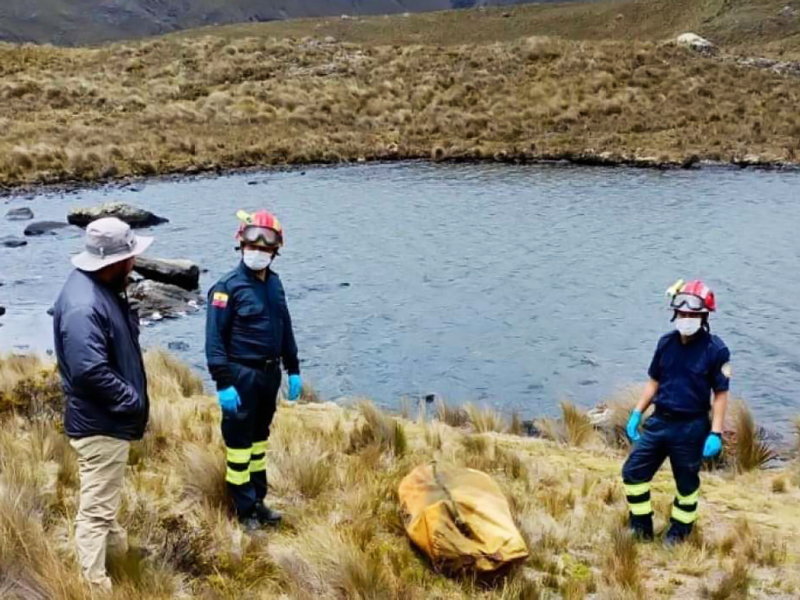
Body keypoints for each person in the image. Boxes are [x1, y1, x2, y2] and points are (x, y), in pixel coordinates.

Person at [53, 217, 153, 592]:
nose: (134, 263)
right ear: (112, 262)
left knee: (103, 499)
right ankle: (93, 584)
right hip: (102, 424)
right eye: (130, 257)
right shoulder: (85, 304)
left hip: (101, 420)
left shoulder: (98, 289)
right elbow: (89, 371)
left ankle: (119, 555)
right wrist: (131, 401)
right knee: (95, 512)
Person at [205, 209, 302, 530]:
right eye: (252, 244)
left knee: (259, 441)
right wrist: (223, 382)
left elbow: (284, 327)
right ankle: (243, 508)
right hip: (240, 376)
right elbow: (214, 339)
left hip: (269, 375)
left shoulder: (275, 285)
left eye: (265, 246)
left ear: (276, 250)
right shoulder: (227, 288)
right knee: (239, 446)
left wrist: (293, 367)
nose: (258, 250)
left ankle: (258, 501)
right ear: (241, 244)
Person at [622, 279, 731, 545]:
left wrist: (715, 432)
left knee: (686, 485)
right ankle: (641, 527)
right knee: (633, 473)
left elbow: (720, 394)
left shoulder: (716, 350)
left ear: (703, 316)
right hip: (659, 422)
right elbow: (654, 382)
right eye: (682, 314)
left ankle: (679, 533)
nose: (686, 318)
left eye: (692, 314)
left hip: (691, 428)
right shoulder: (665, 343)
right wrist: (637, 413)